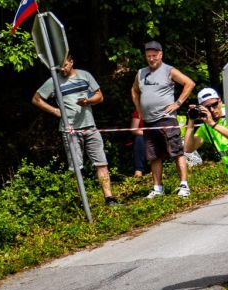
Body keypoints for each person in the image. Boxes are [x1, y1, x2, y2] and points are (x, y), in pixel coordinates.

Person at [32, 55, 119, 206]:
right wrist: (55, 111)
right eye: (59, 67)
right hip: (70, 130)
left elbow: (100, 96)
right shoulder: (54, 80)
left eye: (65, 65)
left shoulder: (85, 75)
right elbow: (36, 99)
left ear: (71, 62)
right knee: (76, 168)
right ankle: (83, 202)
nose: (62, 69)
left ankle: (109, 198)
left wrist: (88, 101)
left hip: (90, 126)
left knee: (101, 163)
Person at [131, 40, 195, 197]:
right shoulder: (141, 73)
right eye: (148, 56)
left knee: (176, 152)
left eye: (154, 55)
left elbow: (189, 83)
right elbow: (134, 90)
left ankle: (184, 185)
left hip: (166, 119)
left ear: (160, 54)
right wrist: (139, 109)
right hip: (149, 121)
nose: (151, 59)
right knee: (153, 156)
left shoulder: (169, 70)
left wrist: (178, 103)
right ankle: (158, 188)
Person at [183, 87, 228, 163]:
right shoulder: (206, 125)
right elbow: (188, 149)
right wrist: (191, 119)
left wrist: (213, 124)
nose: (212, 109)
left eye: (214, 104)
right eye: (207, 107)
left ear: (220, 101)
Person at [129, 109, 146, 177]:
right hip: (143, 136)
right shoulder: (138, 112)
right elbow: (134, 130)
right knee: (139, 139)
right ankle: (138, 170)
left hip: (157, 135)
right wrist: (147, 134)